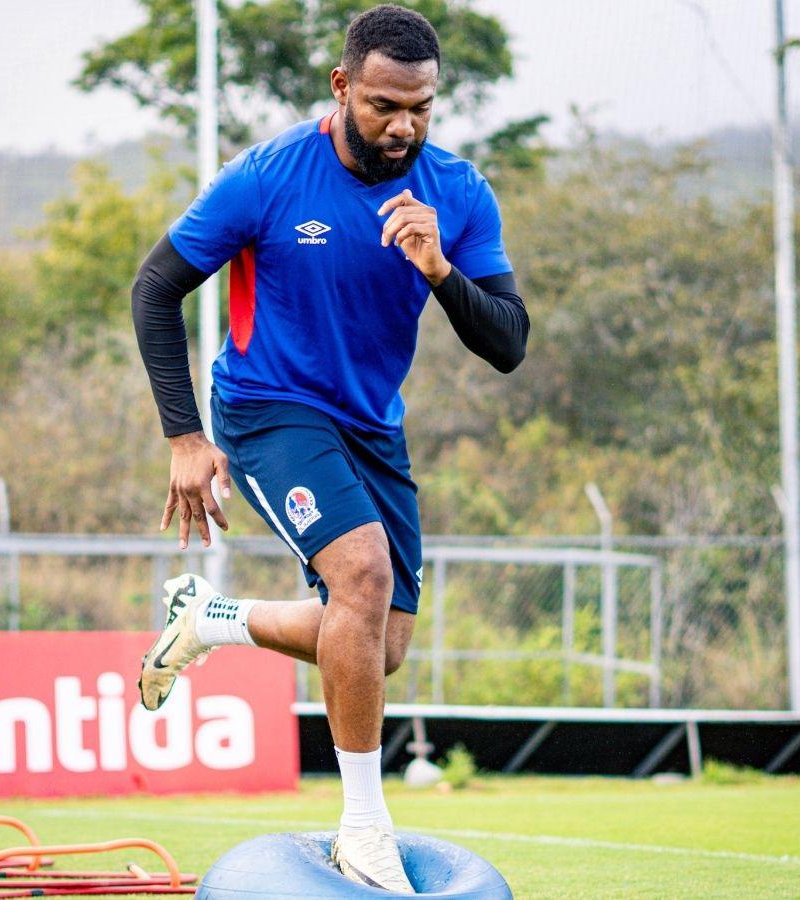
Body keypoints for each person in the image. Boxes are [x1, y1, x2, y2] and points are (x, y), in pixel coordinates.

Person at [131, 5, 527, 892]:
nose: (404, 127)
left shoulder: (458, 192)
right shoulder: (266, 177)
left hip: (372, 426)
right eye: (385, 105)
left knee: (379, 648)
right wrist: (185, 436)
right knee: (362, 576)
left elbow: (509, 342)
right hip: (267, 410)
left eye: (421, 108)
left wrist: (440, 270)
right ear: (343, 87)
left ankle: (211, 621)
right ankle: (364, 827)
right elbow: (155, 288)